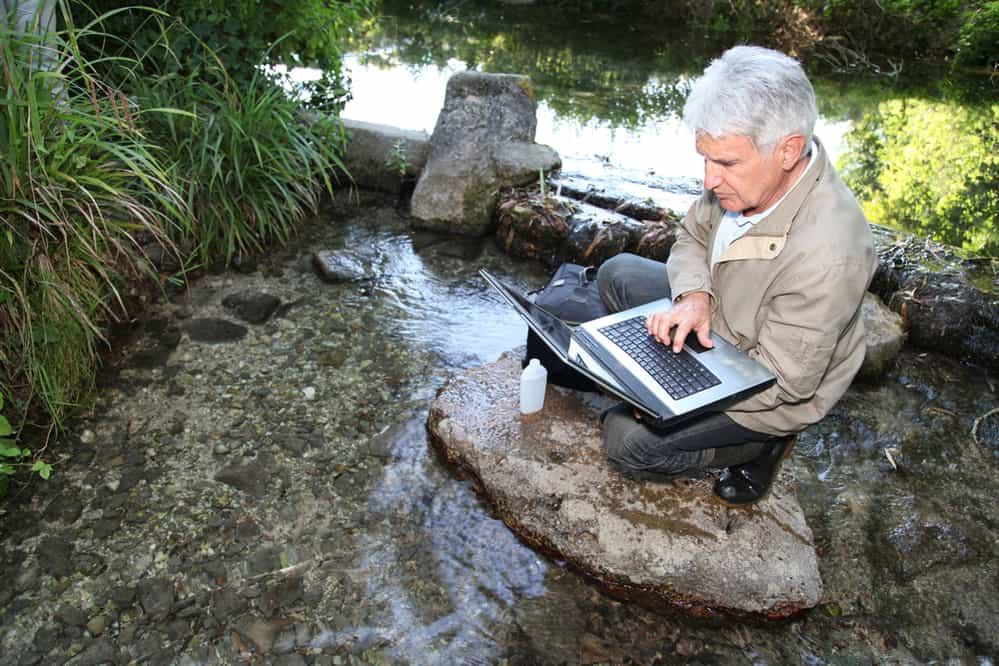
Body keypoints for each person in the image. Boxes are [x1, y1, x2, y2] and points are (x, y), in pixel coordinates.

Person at [597, 45, 876, 505]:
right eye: (705, 159)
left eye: (725, 163)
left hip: (769, 383)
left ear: (787, 150)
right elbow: (692, 235)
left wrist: (666, 396)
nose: (709, 180)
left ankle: (761, 446)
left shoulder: (831, 252)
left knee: (626, 441)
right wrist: (693, 296)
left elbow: (784, 383)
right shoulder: (746, 178)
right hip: (720, 314)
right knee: (617, 272)